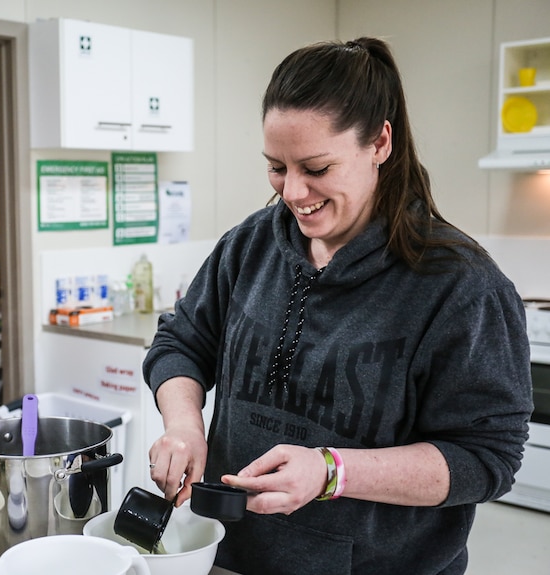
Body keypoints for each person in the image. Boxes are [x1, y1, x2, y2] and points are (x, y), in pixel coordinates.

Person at [142, 37, 533, 575]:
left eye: (317, 168)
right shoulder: (249, 245)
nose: (294, 192)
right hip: (232, 556)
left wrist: (332, 471)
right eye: (277, 167)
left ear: (379, 143)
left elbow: (485, 458)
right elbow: (181, 341)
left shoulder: (461, 286)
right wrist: (184, 423)